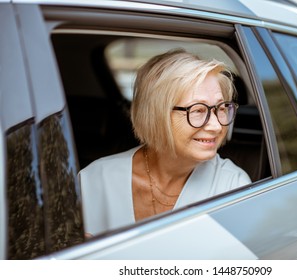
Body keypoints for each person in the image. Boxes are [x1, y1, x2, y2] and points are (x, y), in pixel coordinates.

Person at [79, 49, 251, 236]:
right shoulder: (94, 179)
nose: (217, 126)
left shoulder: (233, 186)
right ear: (156, 115)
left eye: (221, 108)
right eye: (198, 110)